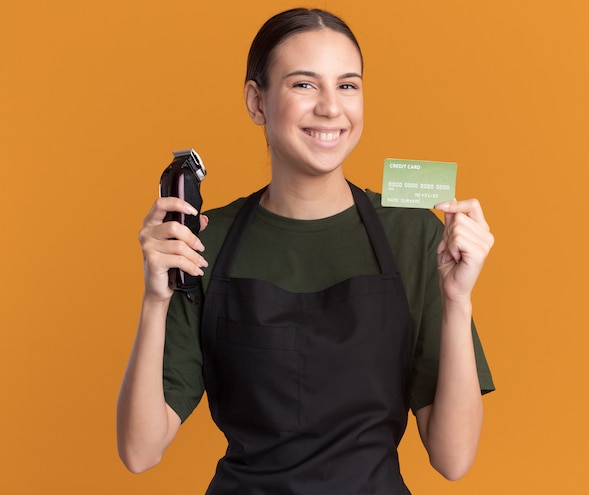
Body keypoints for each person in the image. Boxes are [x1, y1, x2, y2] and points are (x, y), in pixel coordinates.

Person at [117, 7, 495, 494]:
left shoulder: (414, 234)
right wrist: (154, 298)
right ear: (257, 102)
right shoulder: (203, 241)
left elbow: (454, 458)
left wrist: (458, 300)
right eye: (303, 85)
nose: (331, 108)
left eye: (347, 85)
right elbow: (140, 451)